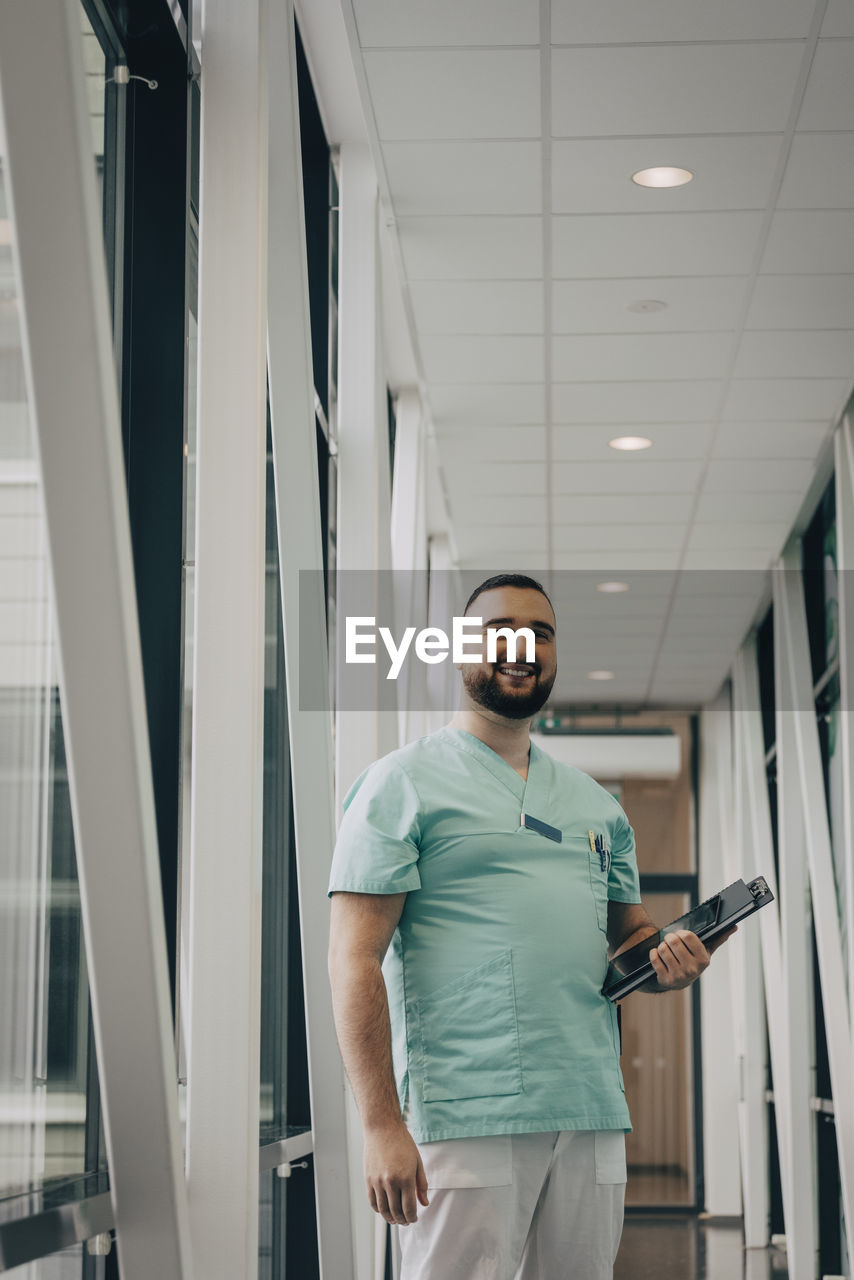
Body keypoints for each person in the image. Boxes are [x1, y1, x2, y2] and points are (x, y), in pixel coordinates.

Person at [327, 573, 734, 1280]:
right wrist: (381, 1125)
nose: (524, 647)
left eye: (541, 633)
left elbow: (628, 937)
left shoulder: (594, 805)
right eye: (503, 630)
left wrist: (671, 959)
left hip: (588, 1109)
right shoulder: (400, 785)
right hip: (464, 1117)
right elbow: (352, 959)